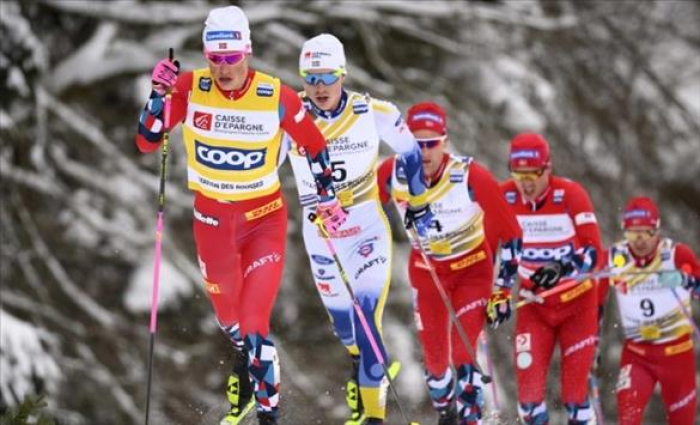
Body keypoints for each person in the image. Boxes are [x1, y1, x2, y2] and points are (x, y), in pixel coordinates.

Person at [135, 7, 347, 425]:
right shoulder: (190, 88)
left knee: (253, 322)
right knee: (229, 318)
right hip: (211, 222)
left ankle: (269, 416)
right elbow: (147, 141)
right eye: (215, 57)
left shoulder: (275, 95)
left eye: (231, 57)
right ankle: (247, 360)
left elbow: (314, 144)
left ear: (247, 51)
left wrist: (327, 198)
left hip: (263, 221)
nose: (223, 67)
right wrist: (158, 95)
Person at [283, 34, 433, 425]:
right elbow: (260, 167)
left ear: (343, 74)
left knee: (366, 317)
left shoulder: (373, 112)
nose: (319, 87)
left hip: (365, 226)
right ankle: (361, 366)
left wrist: (419, 202)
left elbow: (410, 151)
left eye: (327, 77)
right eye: (310, 78)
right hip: (320, 233)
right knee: (345, 326)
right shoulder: (288, 117)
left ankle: (374, 416)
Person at [377, 102, 523, 425]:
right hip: (427, 273)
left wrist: (502, 290)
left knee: (463, 349)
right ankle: (446, 412)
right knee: (435, 359)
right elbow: (362, 210)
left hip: (472, 271)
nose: (424, 152)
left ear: (444, 141)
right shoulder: (391, 173)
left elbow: (512, 233)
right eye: (417, 143)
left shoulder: (469, 175)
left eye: (432, 143)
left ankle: (471, 418)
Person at [500, 133, 603, 424]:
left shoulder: (570, 194)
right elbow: (481, 239)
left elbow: (594, 252)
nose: (526, 183)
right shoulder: (504, 196)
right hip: (534, 307)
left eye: (533, 174)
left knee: (574, 396)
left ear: (548, 168)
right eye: (518, 174)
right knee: (528, 399)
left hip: (577, 305)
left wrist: (562, 267)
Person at [601, 197, 699, 425]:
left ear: (657, 230)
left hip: (677, 354)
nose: (640, 240)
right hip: (637, 355)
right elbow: (591, 286)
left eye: (646, 232)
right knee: (628, 417)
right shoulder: (616, 258)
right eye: (633, 233)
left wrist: (684, 279)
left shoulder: (675, 255)